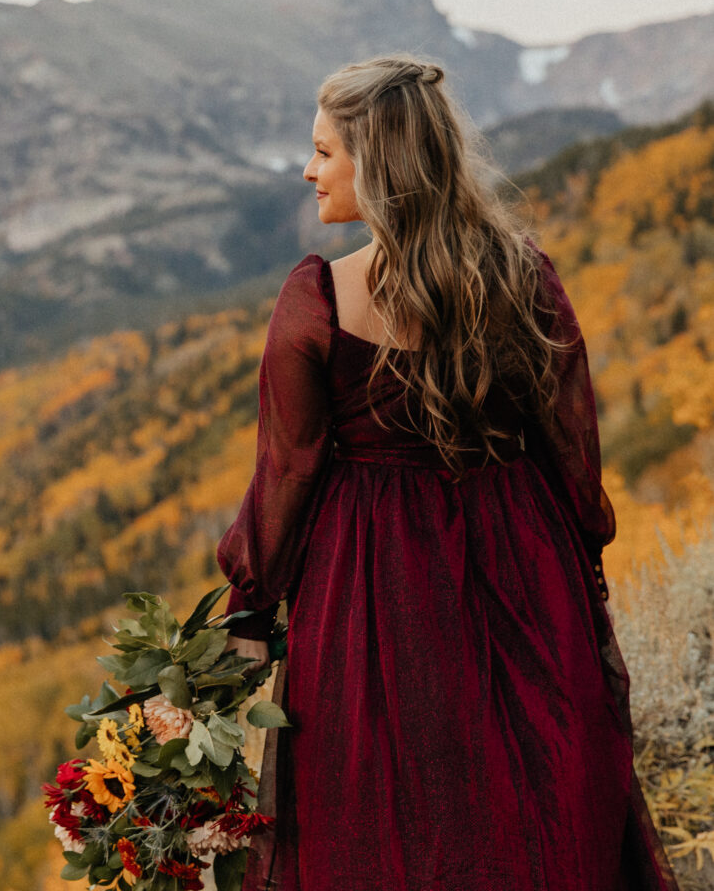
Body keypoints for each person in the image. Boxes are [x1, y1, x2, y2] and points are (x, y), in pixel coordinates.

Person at [216, 55, 680, 891]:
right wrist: (583, 564)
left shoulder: (316, 297)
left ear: (381, 164)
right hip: (523, 557)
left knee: (378, 812)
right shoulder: (525, 276)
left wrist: (251, 601)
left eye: (326, 152)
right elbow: (571, 444)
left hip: (370, 578)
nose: (309, 169)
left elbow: (287, 468)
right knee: (532, 796)